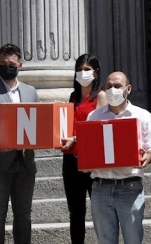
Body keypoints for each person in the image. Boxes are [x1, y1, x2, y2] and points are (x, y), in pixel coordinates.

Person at [0, 43, 40, 244]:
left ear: (20, 65)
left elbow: (37, 122)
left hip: (25, 161)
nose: (7, 66)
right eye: (3, 63)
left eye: (11, 63)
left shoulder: (31, 92)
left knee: (24, 215)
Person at [88, 71, 151, 244]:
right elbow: (88, 148)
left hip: (130, 187)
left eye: (117, 86)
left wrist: (148, 156)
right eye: (109, 86)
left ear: (128, 89)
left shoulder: (142, 115)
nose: (113, 90)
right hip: (101, 188)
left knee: (133, 240)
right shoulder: (94, 117)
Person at [60, 54, 107, 244]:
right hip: (70, 159)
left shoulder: (100, 96)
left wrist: (76, 139)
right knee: (75, 212)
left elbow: (100, 128)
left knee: (99, 210)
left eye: (87, 69)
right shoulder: (73, 97)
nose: (82, 73)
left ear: (95, 73)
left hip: (91, 158)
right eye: (79, 69)